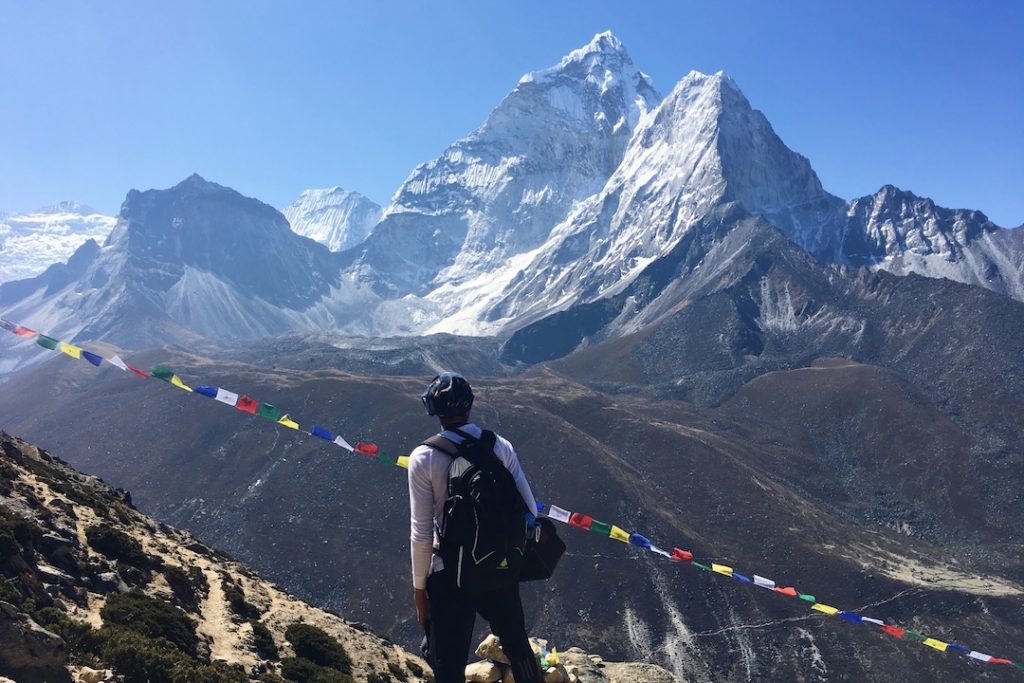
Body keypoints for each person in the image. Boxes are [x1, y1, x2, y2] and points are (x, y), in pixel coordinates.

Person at [408, 372, 543, 683]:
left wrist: (419, 592)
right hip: (499, 564)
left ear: (433, 409)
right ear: (469, 407)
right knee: (517, 644)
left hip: (450, 574)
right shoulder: (499, 446)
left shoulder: (424, 457)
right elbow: (531, 509)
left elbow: (421, 533)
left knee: (448, 664)